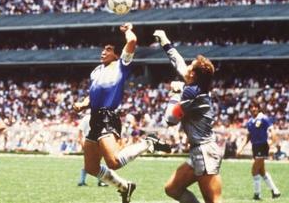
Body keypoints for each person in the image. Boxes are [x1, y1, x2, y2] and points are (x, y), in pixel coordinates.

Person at [73, 23, 170, 203]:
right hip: (94, 117)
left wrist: (128, 31)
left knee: (114, 163)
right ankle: (125, 187)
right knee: (91, 167)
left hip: (107, 116)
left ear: (116, 54)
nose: (103, 52)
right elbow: (93, 94)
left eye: (108, 50)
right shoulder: (96, 71)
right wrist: (83, 104)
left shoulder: (121, 65)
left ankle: (148, 143)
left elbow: (132, 41)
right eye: (103, 50)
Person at [153, 30, 223, 203]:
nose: (187, 68)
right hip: (200, 150)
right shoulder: (195, 87)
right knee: (173, 188)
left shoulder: (191, 92)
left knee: (213, 201)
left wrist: (176, 94)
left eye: (190, 67)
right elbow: (179, 63)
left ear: (193, 75)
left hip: (205, 151)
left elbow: (170, 119)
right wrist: (165, 42)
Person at [237, 101, 281, 200]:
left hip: (262, 146)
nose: (253, 109)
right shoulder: (249, 122)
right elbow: (248, 137)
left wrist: (272, 146)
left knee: (254, 170)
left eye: (255, 107)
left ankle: (257, 194)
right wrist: (241, 148)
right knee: (261, 171)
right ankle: (275, 191)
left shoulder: (264, 118)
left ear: (258, 108)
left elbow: (273, 132)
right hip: (255, 147)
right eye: (251, 107)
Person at [76, 113, 108, 187]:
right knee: (91, 163)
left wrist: (81, 142)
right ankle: (83, 181)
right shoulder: (91, 118)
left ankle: (82, 181)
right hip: (93, 142)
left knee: (93, 162)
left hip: (92, 142)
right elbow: (80, 131)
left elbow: (80, 131)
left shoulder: (88, 117)